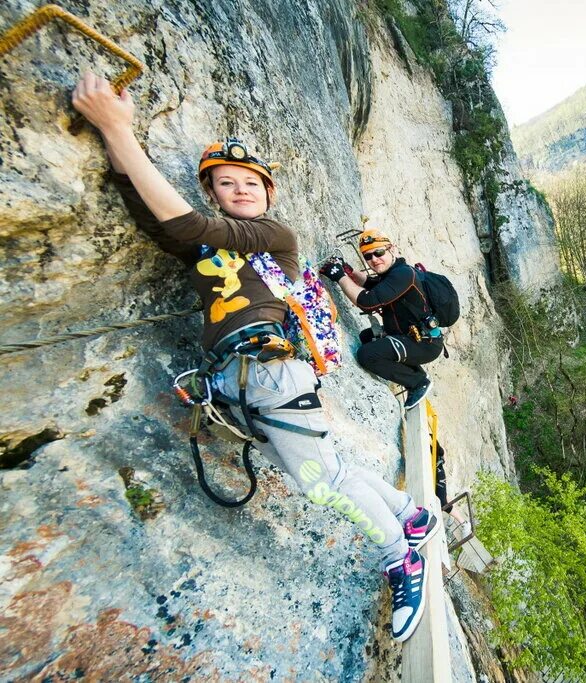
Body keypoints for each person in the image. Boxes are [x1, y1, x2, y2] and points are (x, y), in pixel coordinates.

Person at [70, 72, 436, 642]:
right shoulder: (206, 246)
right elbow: (153, 216)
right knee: (329, 466)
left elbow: (187, 223)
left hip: (272, 371)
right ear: (212, 191)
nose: (241, 190)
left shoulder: (274, 236)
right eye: (226, 182)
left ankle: (400, 555)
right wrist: (115, 145)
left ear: (268, 195)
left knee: (321, 481)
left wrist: (118, 129)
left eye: (251, 183)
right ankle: (412, 517)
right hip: (239, 379)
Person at [320, 230, 443, 410]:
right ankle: (414, 371)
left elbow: (368, 302)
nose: (374, 259)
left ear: (392, 249)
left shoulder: (403, 274)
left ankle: (417, 382)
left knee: (368, 355)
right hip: (411, 336)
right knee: (367, 337)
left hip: (424, 342)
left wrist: (340, 276)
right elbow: (372, 284)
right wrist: (349, 271)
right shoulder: (394, 272)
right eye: (368, 256)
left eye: (379, 252)